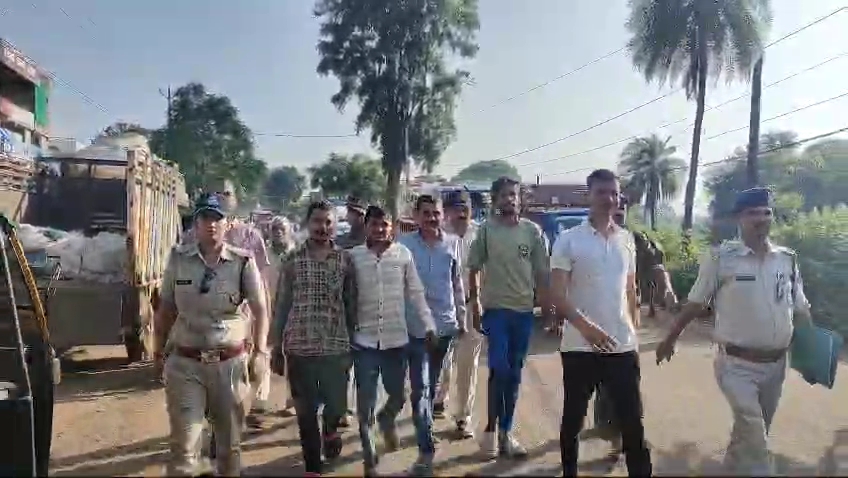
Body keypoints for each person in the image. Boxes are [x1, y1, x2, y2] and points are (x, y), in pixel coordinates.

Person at [656, 187, 813, 475]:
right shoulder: (721, 259)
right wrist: (669, 339)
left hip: (777, 365)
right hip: (736, 366)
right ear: (739, 219)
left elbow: (800, 308)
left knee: (753, 430)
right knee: (756, 433)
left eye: (766, 213)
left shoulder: (787, 260)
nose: (760, 219)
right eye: (752, 213)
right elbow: (695, 304)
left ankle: (731, 468)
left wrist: (813, 348)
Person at [153, 193, 270, 476]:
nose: (212, 225)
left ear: (227, 224)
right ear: (195, 224)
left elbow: (260, 309)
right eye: (205, 218)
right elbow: (166, 309)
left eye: (217, 219)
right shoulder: (178, 259)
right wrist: (158, 352)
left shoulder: (242, 262)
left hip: (229, 366)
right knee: (185, 446)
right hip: (186, 364)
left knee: (229, 448)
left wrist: (260, 352)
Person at [548, 169, 651, 477]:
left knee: (632, 420)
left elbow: (630, 289)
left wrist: (634, 326)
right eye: (602, 192)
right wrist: (586, 328)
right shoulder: (568, 240)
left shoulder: (627, 240)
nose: (609, 199)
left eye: (613, 193)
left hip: (621, 346)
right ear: (588, 196)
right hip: (580, 346)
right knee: (573, 420)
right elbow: (557, 293)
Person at [348, 205, 437, 476]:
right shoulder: (353, 258)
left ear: (392, 227)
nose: (380, 229)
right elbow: (344, 296)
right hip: (364, 342)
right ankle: (370, 460)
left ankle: (388, 418)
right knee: (365, 406)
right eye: (374, 224)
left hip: (397, 341)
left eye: (384, 224)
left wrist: (429, 325)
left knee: (398, 396)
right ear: (366, 227)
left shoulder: (403, 254)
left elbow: (416, 293)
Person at [271, 201, 357, 477]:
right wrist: (275, 347)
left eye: (328, 222)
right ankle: (312, 467)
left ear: (334, 226)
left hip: (336, 347)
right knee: (305, 412)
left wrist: (355, 342)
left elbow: (351, 303)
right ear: (308, 223)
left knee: (336, 405)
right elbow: (282, 304)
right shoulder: (292, 260)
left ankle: (330, 431)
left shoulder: (345, 260)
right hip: (299, 347)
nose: (323, 227)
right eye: (318, 221)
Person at [467, 176, 550, 459]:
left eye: (513, 195)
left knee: (514, 374)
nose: (509, 200)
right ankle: (490, 430)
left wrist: (549, 307)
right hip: (496, 311)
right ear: (495, 199)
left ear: (520, 198)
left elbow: (542, 272)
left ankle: (506, 432)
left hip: (524, 313)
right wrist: (474, 303)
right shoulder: (486, 231)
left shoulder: (533, 232)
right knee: (498, 369)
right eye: (503, 195)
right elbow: (474, 268)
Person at [184, 181, 273, 428]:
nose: (222, 197)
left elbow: (262, 278)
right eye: (216, 193)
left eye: (227, 193)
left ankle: (248, 409)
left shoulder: (250, 236)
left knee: (239, 370)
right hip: (202, 321)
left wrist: (264, 312)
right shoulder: (192, 237)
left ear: (235, 200)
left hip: (241, 319)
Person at [592, 199, 677, 458]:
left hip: (627, 318)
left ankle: (623, 433)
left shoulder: (635, 239)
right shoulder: (584, 238)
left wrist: (668, 289)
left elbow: (656, 265)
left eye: (621, 210)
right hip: (594, 319)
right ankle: (612, 431)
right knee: (604, 380)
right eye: (613, 209)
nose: (616, 214)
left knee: (627, 377)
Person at [398, 194, 466, 474]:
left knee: (433, 384)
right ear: (416, 217)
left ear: (443, 216)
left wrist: (462, 317)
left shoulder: (453, 244)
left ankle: (425, 433)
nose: (431, 218)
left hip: (445, 327)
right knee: (420, 389)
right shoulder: (403, 246)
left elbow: (457, 283)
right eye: (425, 213)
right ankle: (426, 449)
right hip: (414, 328)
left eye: (435, 213)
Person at [435, 191, 483, 439]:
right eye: (455, 208)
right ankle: (438, 398)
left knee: (467, 365)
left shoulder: (482, 236)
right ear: (446, 211)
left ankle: (463, 417)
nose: (460, 212)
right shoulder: (438, 236)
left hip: (473, 307)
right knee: (442, 361)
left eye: (465, 207)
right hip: (444, 310)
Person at [335, 194, 368, 428]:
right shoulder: (340, 242)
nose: (355, 217)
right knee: (344, 363)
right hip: (344, 309)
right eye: (352, 212)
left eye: (359, 213)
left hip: (369, 308)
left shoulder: (375, 242)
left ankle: (365, 407)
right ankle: (344, 407)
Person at [267, 216, 297, 417]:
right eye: (275, 229)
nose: (278, 232)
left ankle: (292, 400)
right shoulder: (264, 254)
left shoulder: (297, 255)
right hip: (266, 309)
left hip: (290, 310)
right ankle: (258, 401)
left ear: (289, 232)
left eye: (282, 229)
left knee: (292, 357)